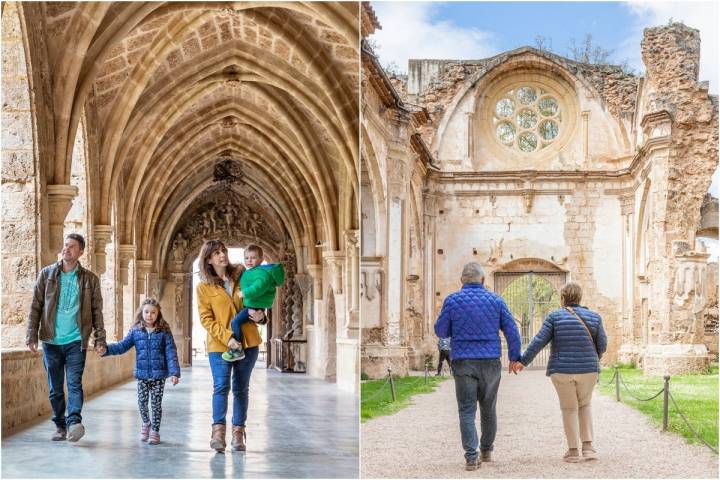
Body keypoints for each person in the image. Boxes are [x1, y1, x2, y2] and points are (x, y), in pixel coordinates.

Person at [434, 262, 522, 471]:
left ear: (461, 281)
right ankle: (486, 450)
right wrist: (514, 357)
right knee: (488, 407)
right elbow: (512, 330)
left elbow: (441, 331)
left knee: (466, 409)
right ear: (483, 280)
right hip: (490, 360)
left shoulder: (452, 301)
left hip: (463, 360)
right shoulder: (496, 300)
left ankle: (471, 457)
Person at [26, 233, 107, 442]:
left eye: (72, 246)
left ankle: (74, 423)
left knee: (74, 384)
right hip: (51, 341)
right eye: (65, 245)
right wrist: (31, 334)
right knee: (55, 388)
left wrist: (100, 339)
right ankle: (59, 426)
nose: (66, 249)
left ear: (81, 252)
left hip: (76, 341)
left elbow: (97, 311)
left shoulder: (90, 279)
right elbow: (36, 306)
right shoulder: (47, 275)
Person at [515, 282, 607, 463]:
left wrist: (523, 361)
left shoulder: (554, 317)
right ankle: (588, 448)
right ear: (580, 298)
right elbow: (602, 344)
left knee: (569, 408)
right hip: (588, 369)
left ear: (562, 298)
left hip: (562, 370)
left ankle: (573, 451)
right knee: (585, 405)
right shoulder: (594, 317)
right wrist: (593, 358)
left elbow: (538, 341)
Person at [196, 239, 266, 452]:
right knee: (221, 386)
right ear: (208, 259)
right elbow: (206, 319)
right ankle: (218, 433)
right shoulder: (204, 288)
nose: (222, 255)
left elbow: (258, 300)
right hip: (220, 345)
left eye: (223, 251)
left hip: (248, 342)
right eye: (216, 253)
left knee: (241, 389)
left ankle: (238, 434)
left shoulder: (243, 276)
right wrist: (227, 337)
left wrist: (262, 316)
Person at [102, 298, 180, 445]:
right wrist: (106, 350)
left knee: (156, 404)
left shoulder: (164, 331)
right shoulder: (136, 331)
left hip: (158, 376)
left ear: (158, 314)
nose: (149, 315)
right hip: (142, 375)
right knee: (142, 403)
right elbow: (122, 346)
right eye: (146, 312)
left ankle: (155, 431)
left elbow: (171, 352)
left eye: (153, 312)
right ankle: (146, 423)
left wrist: (174, 372)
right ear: (141, 313)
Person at [223, 244, 284, 362]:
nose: (249, 260)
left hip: (253, 307)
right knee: (237, 321)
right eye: (246, 258)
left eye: (253, 258)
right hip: (252, 306)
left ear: (261, 259)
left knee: (235, 322)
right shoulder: (252, 272)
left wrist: (245, 293)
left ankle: (237, 349)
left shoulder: (259, 273)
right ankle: (237, 348)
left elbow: (258, 287)